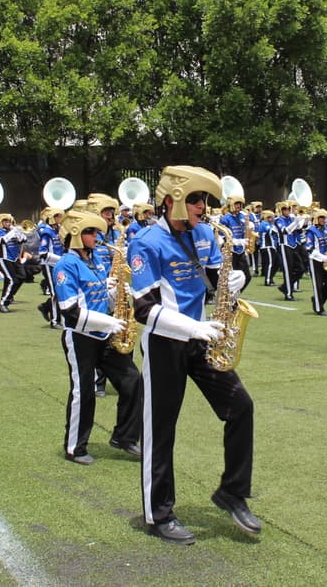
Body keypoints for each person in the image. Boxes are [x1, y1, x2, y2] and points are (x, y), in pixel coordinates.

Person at [129, 165, 258, 544]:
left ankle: (232, 492)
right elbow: (144, 310)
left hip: (202, 338)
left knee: (241, 406)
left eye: (206, 200)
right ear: (172, 201)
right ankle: (159, 514)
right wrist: (194, 327)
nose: (204, 207)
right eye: (197, 199)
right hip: (165, 342)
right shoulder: (146, 241)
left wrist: (238, 280)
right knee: (161, 430)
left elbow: (220, 281)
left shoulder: (205, 234)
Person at [53, 210, 142, 464]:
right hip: (81, 336)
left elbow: (101, 298)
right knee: (84, 391)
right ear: (76, 235)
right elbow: (70, 312)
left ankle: (124, 437)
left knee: (133, 380)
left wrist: (118, 294)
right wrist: (111, 321)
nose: (96, 236)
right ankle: (75, 448)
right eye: (90, 232)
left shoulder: (97, 261)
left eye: (97, 232)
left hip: (104, 334)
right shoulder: (65, 265)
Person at [304, 208, 327, 315]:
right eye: (321, 217)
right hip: (316, 260)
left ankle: (318, 300)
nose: (323, 220)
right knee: (318, 285)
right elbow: (309, 248)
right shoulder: (311, 231)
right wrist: (323, 257)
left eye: (324, 217)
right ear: (316, 218)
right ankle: (319, 308)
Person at [0, 214, 27, 312]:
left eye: (9, 222)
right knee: (12, 280)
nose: (8, 223)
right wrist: (13, 231)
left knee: (22, 276)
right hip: (4, 258)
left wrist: (19, 232)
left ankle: (9, 296)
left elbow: (24, 240)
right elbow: (2, 240)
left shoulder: (13, 231)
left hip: (15, 258)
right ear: (1, 222)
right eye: (5, 222)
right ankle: (3, 303)